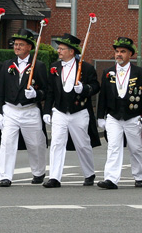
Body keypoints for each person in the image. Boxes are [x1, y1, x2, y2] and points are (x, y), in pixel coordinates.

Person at [42, 33, 100, 188]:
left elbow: (95, 86)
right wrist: (47, 111)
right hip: (60, 111)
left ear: (72, 51)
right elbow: (50, 91)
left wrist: (84, 88)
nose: (59, 51)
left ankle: (89, 173)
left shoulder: (86, 68)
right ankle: (54, 177)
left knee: (83, 144)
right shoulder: (55, 67)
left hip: (79, 111)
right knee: (56, 142)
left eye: (62, 48)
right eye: (59, 48)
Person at [0, 28, 49, 187]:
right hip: (10, 110)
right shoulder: (7, 65)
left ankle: (38, 172)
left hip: (30, 110)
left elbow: (45, 90)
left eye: (21, 45)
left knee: (36, 144)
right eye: (15, 44)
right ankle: (5, 176)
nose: (17, 47)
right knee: (7, 142)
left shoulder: (38, 66)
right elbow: (0, 92)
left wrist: (36, 94)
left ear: (30, 47)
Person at [97, 37, 142, 189]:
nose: (118, 54)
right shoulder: (107, 72)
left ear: (130, 54)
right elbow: (103, 96)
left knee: (136, 148)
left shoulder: (141, 73)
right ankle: (111, 179)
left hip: (133, 116)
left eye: (122, 51)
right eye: (116, 51)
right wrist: (100, 117)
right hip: (114, 116)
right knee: (113, 146)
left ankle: (139, 175)